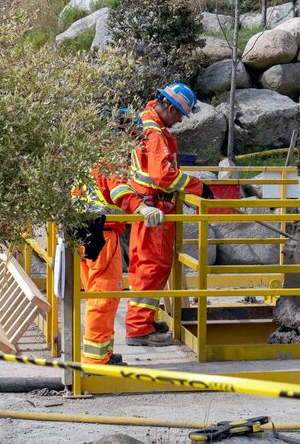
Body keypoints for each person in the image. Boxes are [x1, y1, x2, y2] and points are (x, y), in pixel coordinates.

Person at [124, 82, 215, 346]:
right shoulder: (154, 133)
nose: (178, 122)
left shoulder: (147, 123)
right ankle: (139, 328)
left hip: (149, 207)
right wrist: (197, 186)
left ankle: (141, 319)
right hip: (155, 211)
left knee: (144, 267)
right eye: (178, 115)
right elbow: (162, 175)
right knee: (152, 268)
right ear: (169, 107)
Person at [72, 167, 139, 364]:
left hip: (83, 233)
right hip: (104, 235)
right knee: (104, 297)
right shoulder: (109, 165)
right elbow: (120, 193)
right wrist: (143, 208)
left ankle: (103, 354)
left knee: (98, 295)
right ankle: (95, 361)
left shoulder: (85, 162)